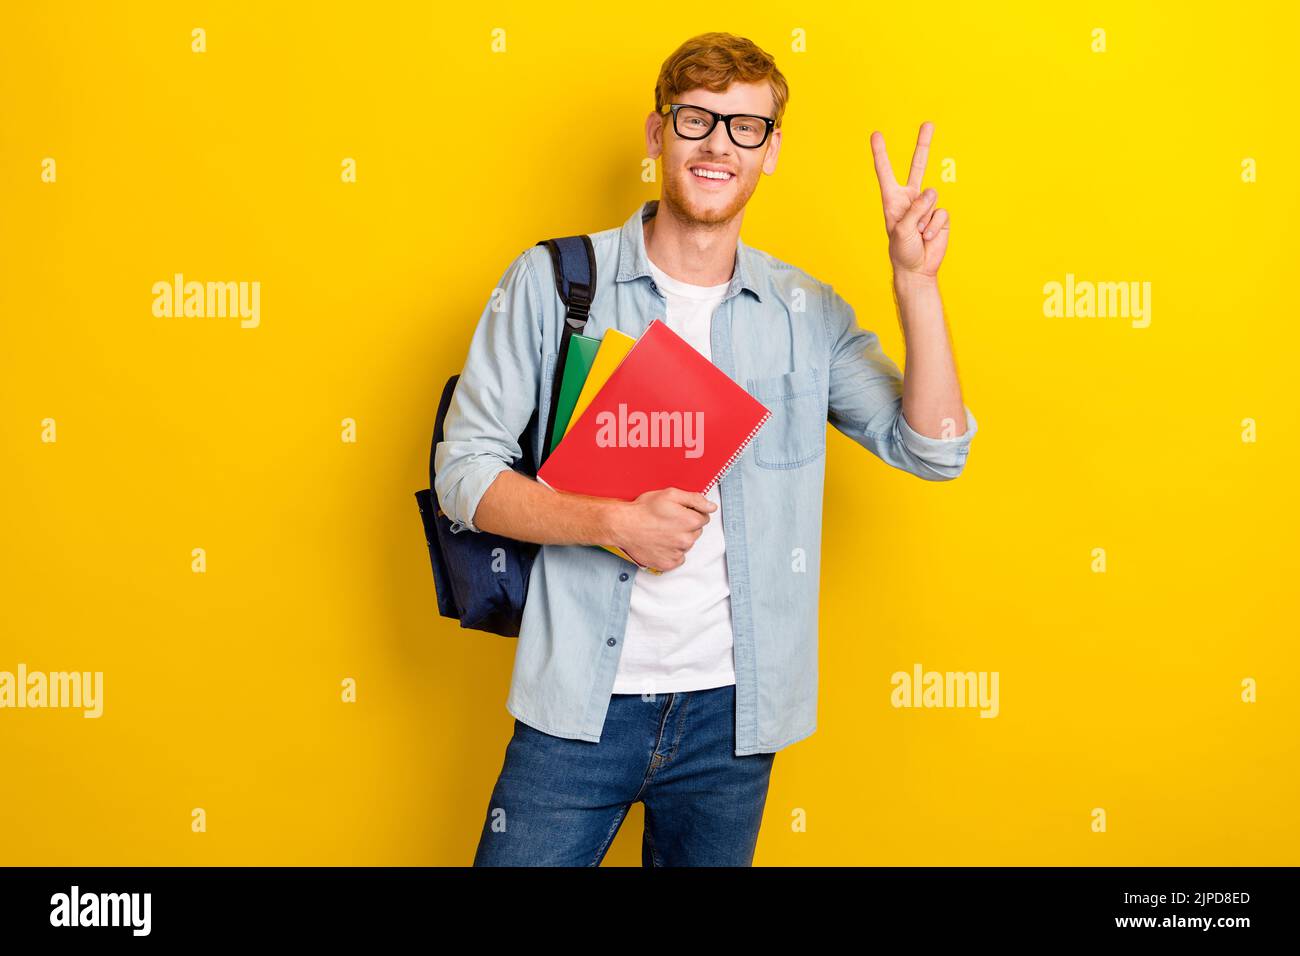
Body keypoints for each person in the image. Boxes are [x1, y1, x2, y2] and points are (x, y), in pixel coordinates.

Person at [435, 31, 979, 866]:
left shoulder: (806, 312)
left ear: (772, 152)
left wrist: (916, 282)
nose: (719, 145)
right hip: (577, 707)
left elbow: (934, 448)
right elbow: (462, 474)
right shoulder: (552, 283)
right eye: (696, 121)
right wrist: (611, 521)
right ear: (658, 136)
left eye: (745, 128)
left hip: (735, 721)